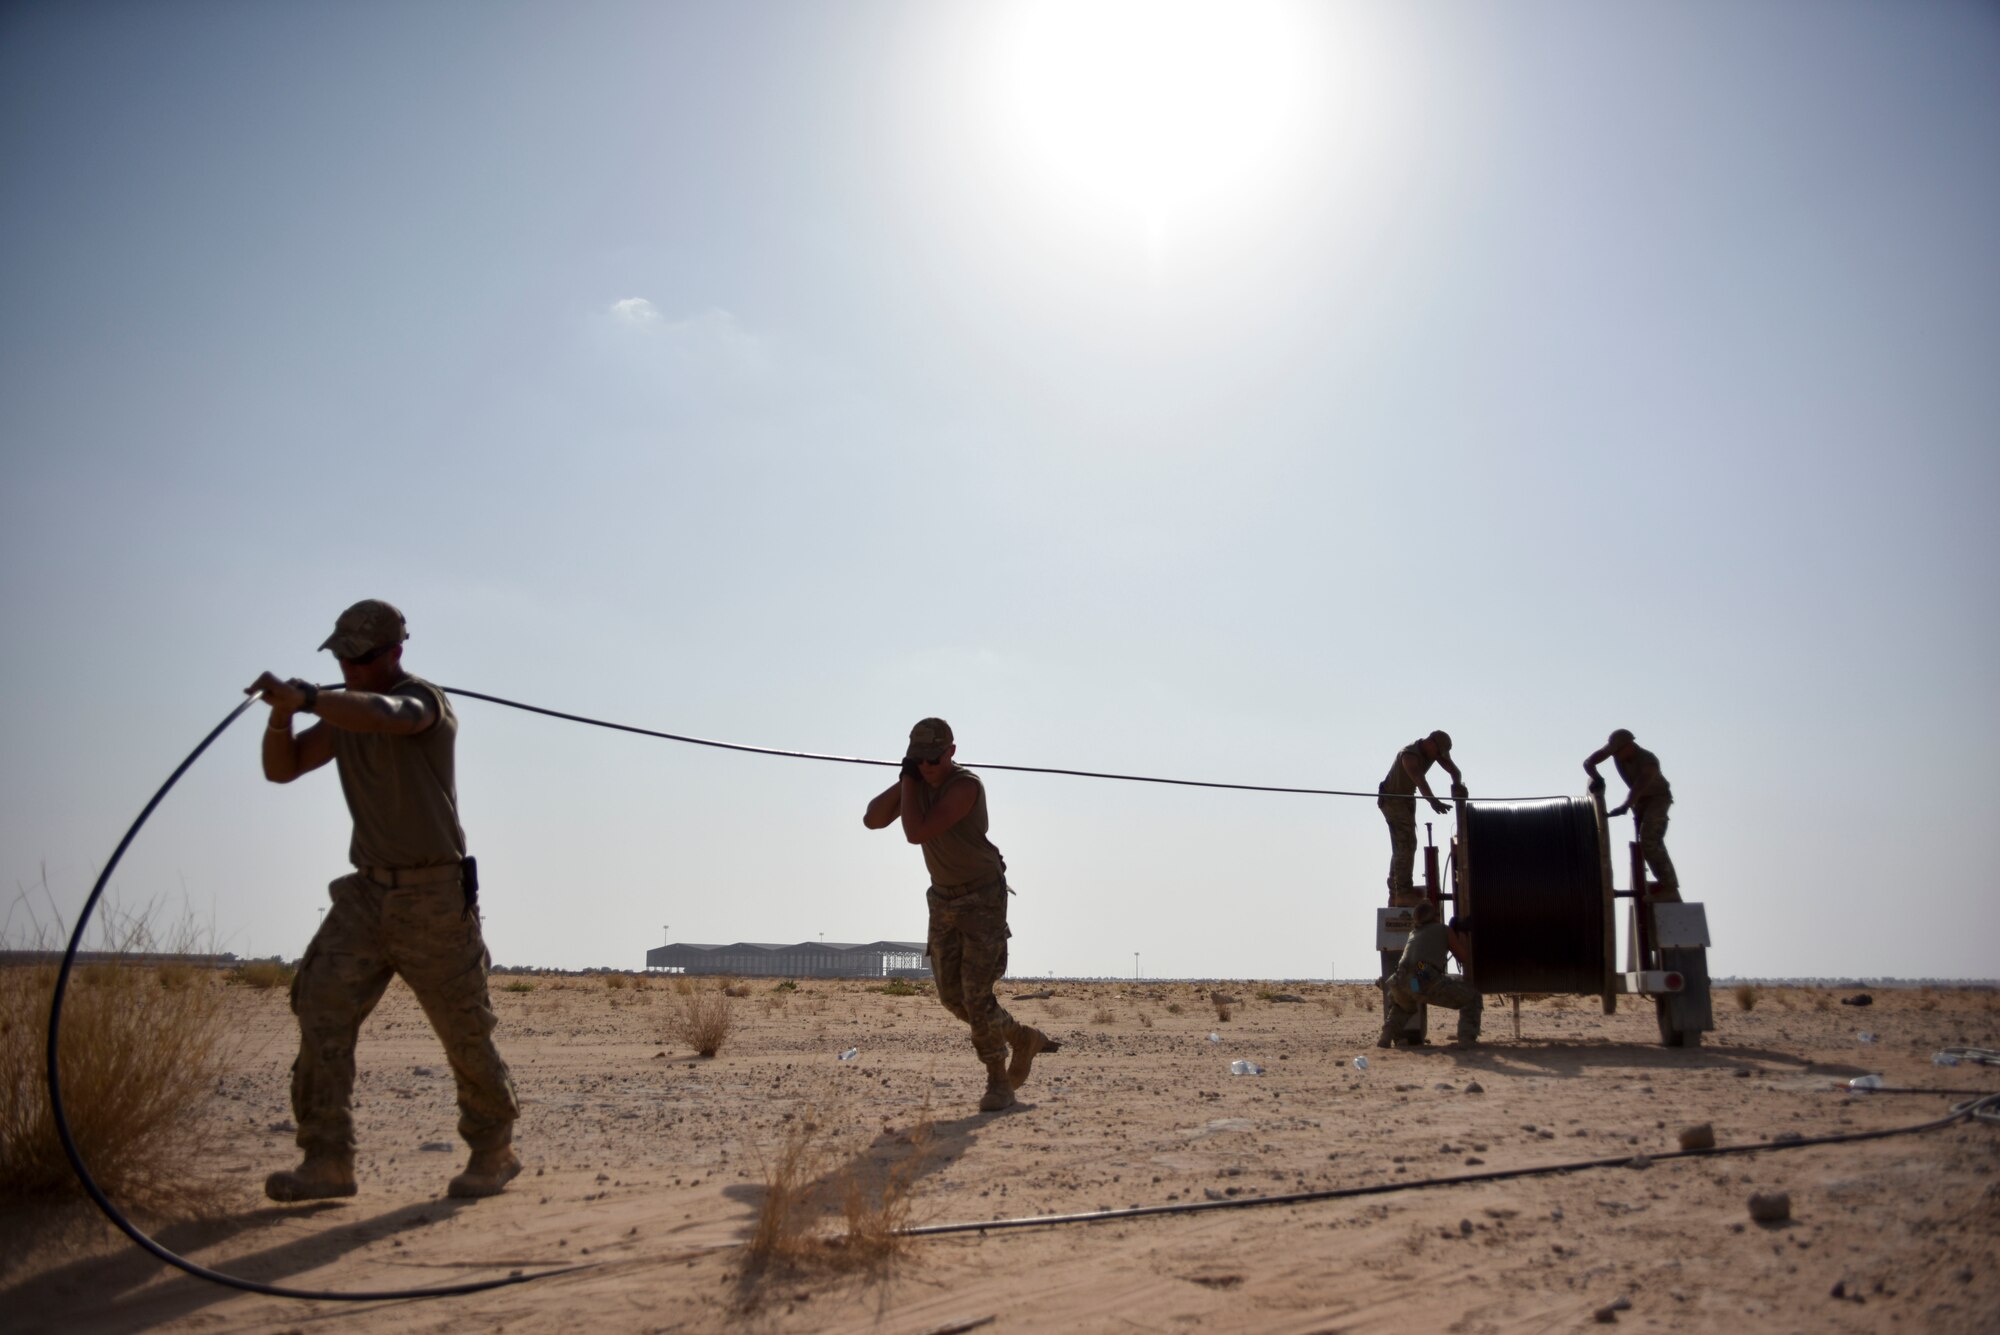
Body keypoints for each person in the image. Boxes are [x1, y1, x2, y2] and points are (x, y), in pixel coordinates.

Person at [247, 599, 520, 1202]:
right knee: (320, 1007)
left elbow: (388, 715)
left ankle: (493, 1151)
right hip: (366, 895)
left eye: (361, 657)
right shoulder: (346, 713)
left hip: (432, 898)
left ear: (395, 653)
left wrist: (313, 700)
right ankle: (326, 1161)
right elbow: (283, 769)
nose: (349, 666)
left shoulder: (422, 704)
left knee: (464, 1031)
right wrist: (281, 718)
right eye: (341, 656)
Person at [863, 717, 1059, 1112]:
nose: (927, 766)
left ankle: (998, 1082)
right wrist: (906, 777)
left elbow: (916, 832)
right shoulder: (915, 782)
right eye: (919, 759)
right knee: (954, 999)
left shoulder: (965, 786)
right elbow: (872, 819)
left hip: (981, 898)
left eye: (934, 758)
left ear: (951, 752)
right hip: (943, 900)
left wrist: (911, 783)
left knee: (976, 993)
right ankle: (1023, 1038)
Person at [1584, 728, 1678, 902]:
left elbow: (1640, 785)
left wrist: (1626, 805)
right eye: (1614, 752)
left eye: (1619, 752)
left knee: (1650, 839)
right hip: (1640, 802)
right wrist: (1598, 778)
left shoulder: (1648, 761)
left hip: (1658, 799)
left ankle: (1669, 887)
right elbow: (1589, 763)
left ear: (1630, 745)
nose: (1616, 756)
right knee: (1649, 842)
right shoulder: (1614, 751)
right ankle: (1665, 883)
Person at [1378, 731, 1465, 906]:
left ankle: (1395, 893)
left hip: (1407, 799)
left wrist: (1457, 785)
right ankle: (1402, 892)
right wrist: (1434, 802)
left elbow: (1452, 769)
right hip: (1393, 799)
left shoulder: (1432, 752)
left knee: (1404, 845)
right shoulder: (1409, 755)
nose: (1439, 757)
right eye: (1438, 753)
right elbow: (1420, 780)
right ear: (1430, 743)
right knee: (1405, 844)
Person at [1378, 903, 1481, 1047]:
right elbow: (1463, 957)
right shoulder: (1443, 930)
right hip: (1421, 975)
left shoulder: (1414, 933)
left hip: (1400, 979)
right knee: (1472, 998)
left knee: (1404, 1005)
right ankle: (1467, 1039)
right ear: (1435, 917)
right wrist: (1461, 932)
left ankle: (1386, 1036)